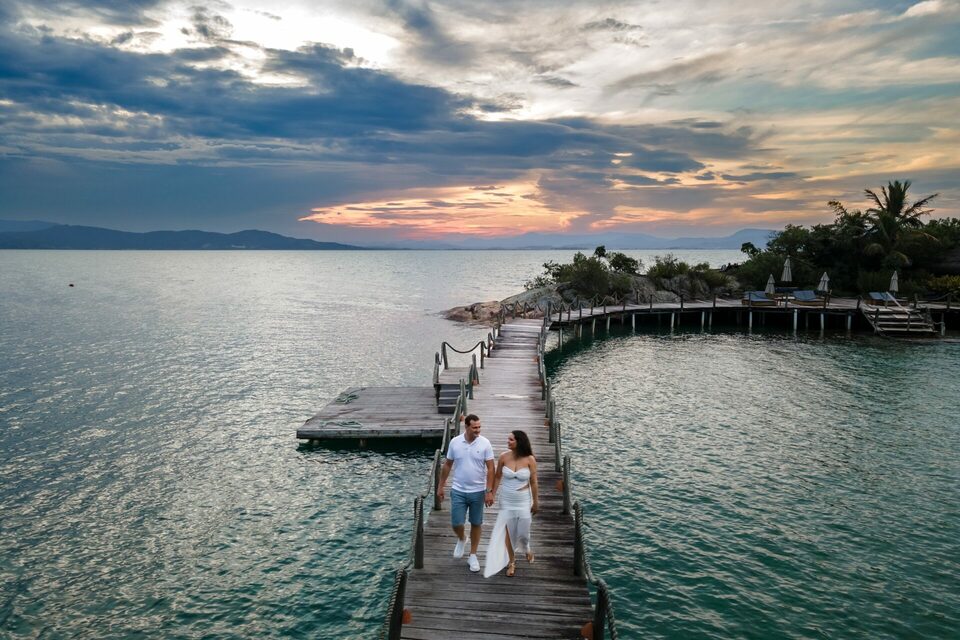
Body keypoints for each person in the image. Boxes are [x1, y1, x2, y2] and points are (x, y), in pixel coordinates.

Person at [437, 414, 495, 573]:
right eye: (475, 427)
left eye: (479, 427)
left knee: (476, 523)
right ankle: (462, 538)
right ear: (467, 427)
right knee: (456, 523)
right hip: (458, 490)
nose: (478, 430)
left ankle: (473, 555)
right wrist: (441, 486)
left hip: (478, 491)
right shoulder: (455, 442)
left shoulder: (485, 443)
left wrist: (489, 491)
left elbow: (491, 468)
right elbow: (447, 465)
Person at [483, 430, 539, 578]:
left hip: (523, 499)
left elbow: (533, 482)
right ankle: (511, 562)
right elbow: (497, 477)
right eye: (508, 439)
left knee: (523, 533)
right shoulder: (503, 457)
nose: (508, 442)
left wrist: (536, 501)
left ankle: (526, 547)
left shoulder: (530, 459)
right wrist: (491, 494)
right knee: (509, 530)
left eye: (511, 440)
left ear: (519, 442)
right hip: (506, 499)